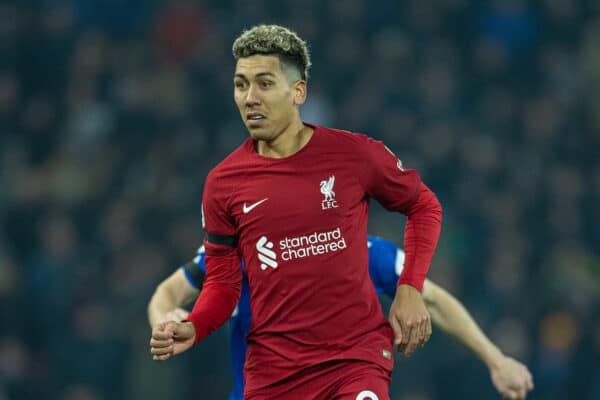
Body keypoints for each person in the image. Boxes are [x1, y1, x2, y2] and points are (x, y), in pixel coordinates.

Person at [150, 24, 443, 400]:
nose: (250, 98)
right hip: (273, 374)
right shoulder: (223, 184)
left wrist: (410, 289)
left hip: (354, 360)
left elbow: (423, 204)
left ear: (298, 91)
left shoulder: (354, 155)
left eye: (265, 83)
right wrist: (196, 325)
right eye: (241, 85)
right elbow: (222, 284)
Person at [148, 236, 535, 400]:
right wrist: (166, 321)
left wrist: (495, 359)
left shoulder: (364, 252)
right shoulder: (241, 247)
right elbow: (167, 293)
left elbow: (431, 299)